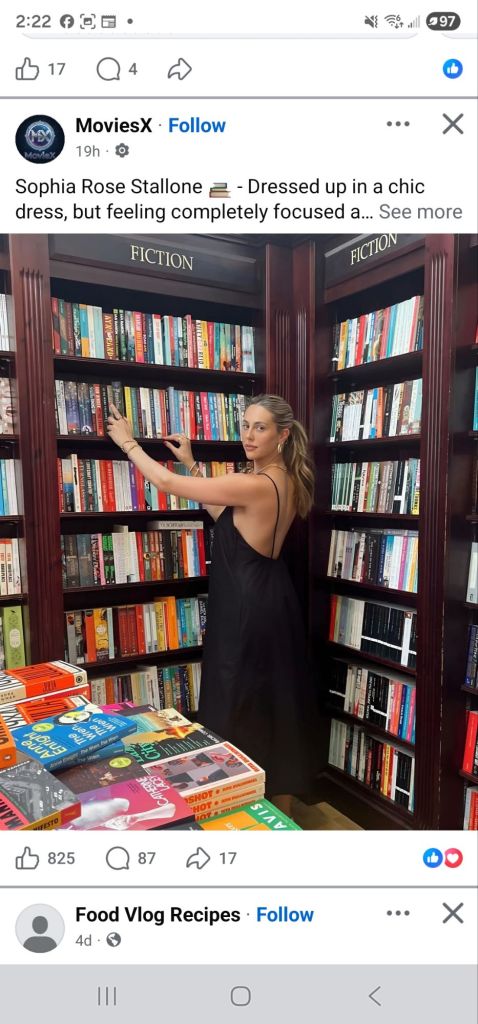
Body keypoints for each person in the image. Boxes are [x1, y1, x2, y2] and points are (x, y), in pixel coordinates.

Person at [106, 393, 317, 817]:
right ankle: (281, 809)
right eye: (245, 426)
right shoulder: (285, 480)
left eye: (260, 428)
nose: (249, 436)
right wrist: (192, 463)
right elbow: (227, 517)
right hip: (272, 600)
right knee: (274, 702)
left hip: (245, 607)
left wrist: (128, 443)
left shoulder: (253, 483)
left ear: (282, 435)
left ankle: (232, 805)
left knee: (235, 699)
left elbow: (166, 484)